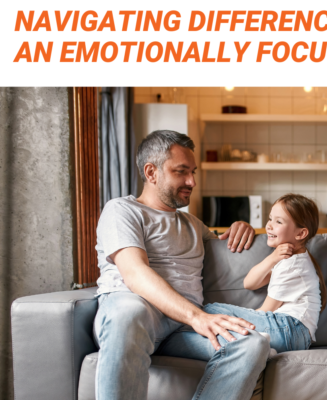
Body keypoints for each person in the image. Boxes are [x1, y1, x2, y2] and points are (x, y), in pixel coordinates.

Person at [93, 130, 269, 400]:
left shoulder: (194, 225)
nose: (192, 181)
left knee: (251, 343)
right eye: (181, 172)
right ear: (151, 172)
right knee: (129, 311)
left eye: (194, 172)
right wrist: (198, 317)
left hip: (179, 328)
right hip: (134, 313)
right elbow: (135, 273)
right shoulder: (121, 210)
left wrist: (241, 226)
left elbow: (226, 246)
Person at [199, 193, 327, 356]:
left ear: (300, 234)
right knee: (215, 318)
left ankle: (255, 344)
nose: (269, 226)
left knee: (211, 310)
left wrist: (239, 322)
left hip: (289, 329)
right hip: (293, 333)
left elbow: (267, 309)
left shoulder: (292, 265)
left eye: (278, 221)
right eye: (270, 218)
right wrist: (272, 258)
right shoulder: (286, 259)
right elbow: (250, 283)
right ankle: (258, 347)